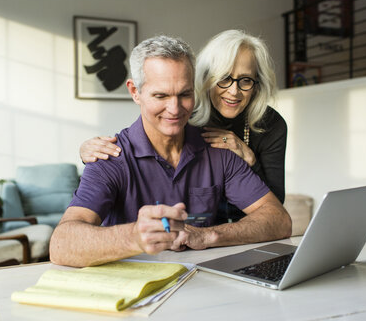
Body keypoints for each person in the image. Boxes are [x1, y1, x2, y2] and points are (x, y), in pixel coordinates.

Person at [50, 35, 291, 267]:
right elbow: (61, 244)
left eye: (185, 94)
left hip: (201, 284)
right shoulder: (110, 157)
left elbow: (279, 220)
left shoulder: (219, 148)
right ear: (135, 91)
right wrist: (136, 236)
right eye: (161, 95)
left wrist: (206, 236)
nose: (174, 109)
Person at [79, 30, 287, 223]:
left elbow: (274, 209)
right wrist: (89, 152)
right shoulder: (186, 113)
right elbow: (145, 135)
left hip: (237, 230)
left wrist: (249, 159)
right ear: (206, 79)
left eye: (245, 80)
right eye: (224, 78)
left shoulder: (269, 126)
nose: (234, 91)